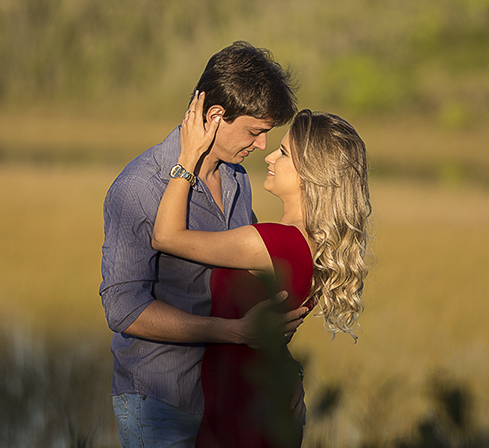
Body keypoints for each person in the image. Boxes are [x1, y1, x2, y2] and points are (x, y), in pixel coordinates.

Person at [100, 41, 305, 448]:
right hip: (159, 399)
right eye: (255, 131)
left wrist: (285, 371)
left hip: (223, 397)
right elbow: (123, 309)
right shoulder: (139, 188)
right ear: (214, 116)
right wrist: (232, 333)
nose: (262, 145)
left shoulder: (236, 178)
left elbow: (244, 288)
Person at [152, 93, 371, 448]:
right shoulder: (314, 245)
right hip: (258, 407)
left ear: (310, 176)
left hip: (240, 414)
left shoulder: (274, 243)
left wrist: (188, 156)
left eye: (284, 154)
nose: (269, 155)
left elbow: (165, 236)